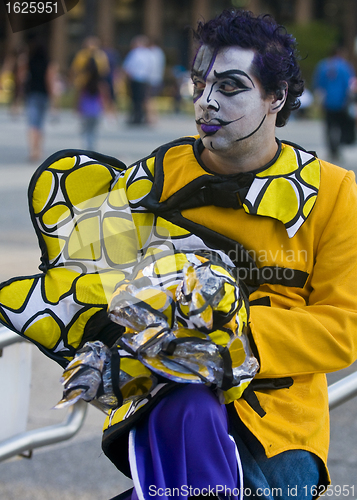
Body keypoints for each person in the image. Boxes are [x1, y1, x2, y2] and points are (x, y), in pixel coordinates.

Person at [1, 9, 357, 500]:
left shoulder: (335, 192)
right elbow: (87, 273)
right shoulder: (161, 171)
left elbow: (345, 328)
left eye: (230, 87)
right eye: (198, 83)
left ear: (276, 97)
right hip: (165, 407)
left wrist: (225, 335)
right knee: (185, 411)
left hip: (276, 431)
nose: (206, 102)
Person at [313, 46, 355, 159]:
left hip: (328, 102)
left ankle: (332, 149)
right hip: (342, 102)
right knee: (341, 125)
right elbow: (350, 85)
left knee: (329, 126)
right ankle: (338, 147)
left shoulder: (323, 65)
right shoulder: (345, 66)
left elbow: (318, 85)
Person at [24, 34, 56, 161]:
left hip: (32, 94)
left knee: (32, 123)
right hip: (43, 95)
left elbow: (22, 77)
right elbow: (49, 80)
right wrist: (53, 97)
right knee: (40, 124)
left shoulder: (29, 61)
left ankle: (32, 149)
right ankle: (38, 149)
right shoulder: (48, 63)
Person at [122, 35, 152, 124]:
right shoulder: (148, 53)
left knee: (135, 100)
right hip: (145, 79)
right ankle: (142, 117)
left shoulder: (134, 53)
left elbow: (127, 66)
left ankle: (136, 117)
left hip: (135, 79)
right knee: (143, 99)